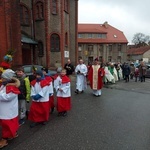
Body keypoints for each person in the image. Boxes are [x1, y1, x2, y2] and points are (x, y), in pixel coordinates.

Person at [0, 69, 20, 148]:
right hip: (4, 109)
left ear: (8, 79)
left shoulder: (12, 87)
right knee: (6, 124)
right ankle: (13, 133)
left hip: (8, 110)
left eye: (3, 78)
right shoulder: (4, 85)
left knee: (7, 124)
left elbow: (7, 97)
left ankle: (4, 139)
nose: (2, 79)